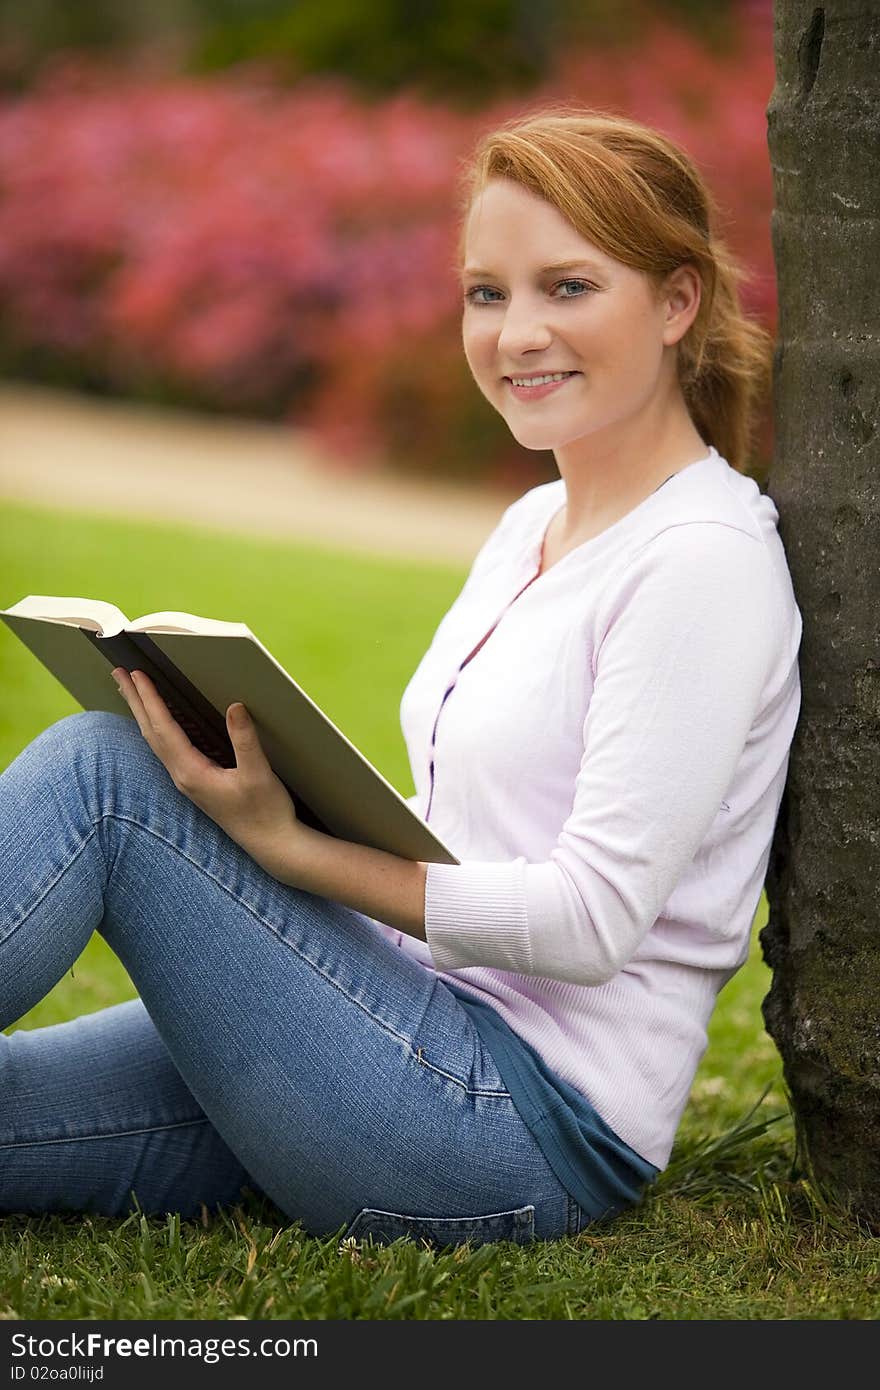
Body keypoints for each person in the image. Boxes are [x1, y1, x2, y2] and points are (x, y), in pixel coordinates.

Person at [0, 107, 802, 1250]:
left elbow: (587, 921)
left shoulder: (703, 565)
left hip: (510, 1128)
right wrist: (280, 812)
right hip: (379, 1020)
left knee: (101, 775)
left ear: (676, 303)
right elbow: (475, 824)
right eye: (488, 292)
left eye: (567, 287)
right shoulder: (535, 522)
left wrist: (299, 854)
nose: (517, 332)